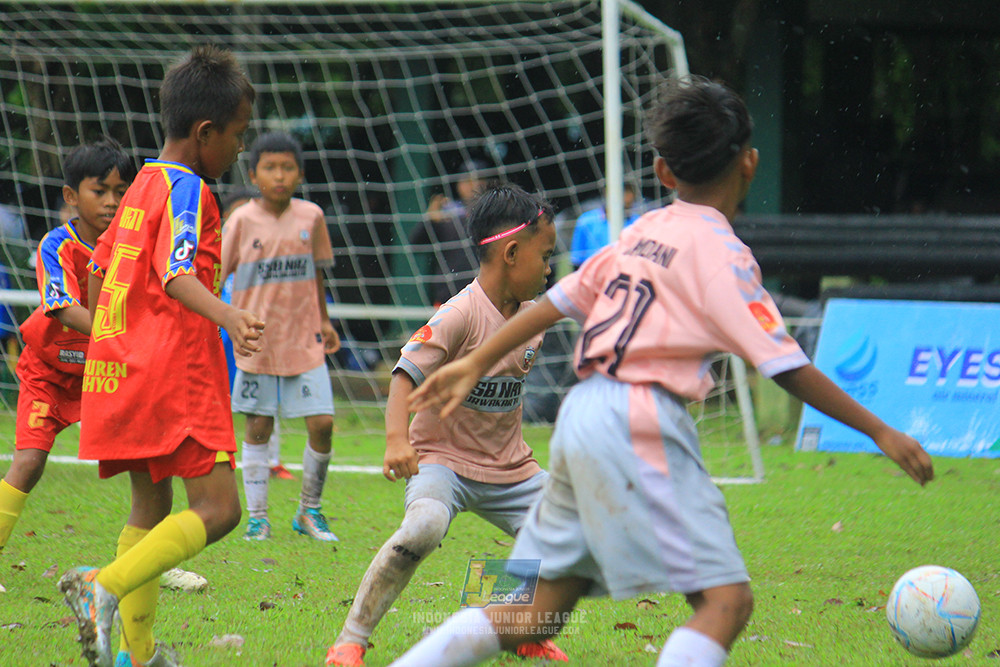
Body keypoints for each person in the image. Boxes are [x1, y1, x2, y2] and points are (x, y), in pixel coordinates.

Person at [395, 76, 935, 667]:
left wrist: (473, 360)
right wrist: (880, 429)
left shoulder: (642, 231)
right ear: (749, 164)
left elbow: (562, 300)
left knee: (540, 606)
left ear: (662, 172)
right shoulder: (724, 256)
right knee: (725, 601)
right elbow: (786, 365)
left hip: (583, 413)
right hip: (641, 416)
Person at [57, 46, 263, 667]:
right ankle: (104, 586)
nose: (239, 150)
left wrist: (117, 339)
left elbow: (97, 271)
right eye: (237, 136)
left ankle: (135, 656)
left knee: (150, 505)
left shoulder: (140, 183)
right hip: (176, 371)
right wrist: (228, 314)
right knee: (222, 509)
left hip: (120, 369)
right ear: (205, 133)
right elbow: (176, 275)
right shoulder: (190, 190)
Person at [325, 183, 566, 667]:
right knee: (425, 528)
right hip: (444, 460)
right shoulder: (458, 313)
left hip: (510, 468)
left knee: (562, 523)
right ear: (512, 253)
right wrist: (397, 440)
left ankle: (508, 625)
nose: (549, 268)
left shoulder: (534, 317)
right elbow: (402, 376)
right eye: (545, 255)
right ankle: (350, 640)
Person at [0, 137, 134, 563]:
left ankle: (139, 566)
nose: (112, 202)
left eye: (121, 191)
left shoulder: (134, 247)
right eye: (100, 191)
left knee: (147, 462)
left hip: (105, 374)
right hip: (50, 372)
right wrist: (115, 335)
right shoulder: (56, 245)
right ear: (72, 196)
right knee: (30, 461)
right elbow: (60, 306)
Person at [221, 131, 341, 542]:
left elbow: (317, 273)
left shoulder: (312, 217)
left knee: (323, 423)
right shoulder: (239, 221)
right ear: (253, 174)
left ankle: (309, 511)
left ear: (300, 174)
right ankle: (258, 517)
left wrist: (324, 321)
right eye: (270, 167)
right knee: (258, 426)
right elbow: (218, 274)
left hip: (304, 338)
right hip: (257, 342)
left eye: (287, 167)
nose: (279, 175)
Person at [220, 189, 293, 481]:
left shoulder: (270, 256)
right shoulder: (214, 253)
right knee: (214, 396)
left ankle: (271, 460)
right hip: (221, 336)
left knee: (265, 400)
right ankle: (214, 452)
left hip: (258, 340)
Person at [410, 158, 486, 305]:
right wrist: (430, 220)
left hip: (486, 297)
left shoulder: (497, 216)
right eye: (468, 180)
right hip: (448, 297)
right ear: (459, 185)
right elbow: (415, 245)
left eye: (479, 180)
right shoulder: (446, 213)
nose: (474, 185)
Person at [568, 182, 641, 269]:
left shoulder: (639, 223)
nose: (629, 196)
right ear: (608, 192)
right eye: (624, 191)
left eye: (630, 191)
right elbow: (576, 262)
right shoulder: (586, 221)